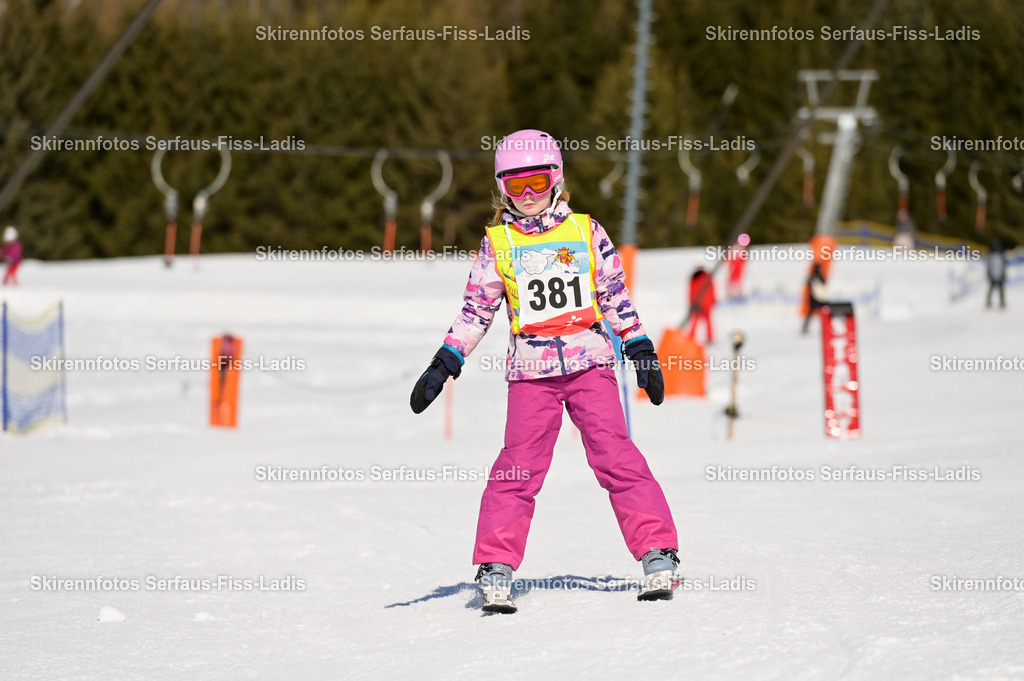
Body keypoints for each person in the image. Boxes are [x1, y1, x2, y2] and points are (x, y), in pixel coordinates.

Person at [409, 129, 678, 612]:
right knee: (517, 468)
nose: (528, 196)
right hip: (530, 375)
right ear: (502, 189)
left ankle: (658, 552)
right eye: (516, 186)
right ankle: (495, 565)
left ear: (556, 179)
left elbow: (614, 295)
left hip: (589, 366)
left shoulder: (585, 231)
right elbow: (476, 310)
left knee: (616, 457)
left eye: (536, 182)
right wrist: (447, 359)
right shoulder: (499, 242)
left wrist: (639, 346)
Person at [687, 266, 716, 344]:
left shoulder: (694, 277)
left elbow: (691, 292)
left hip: (697, 303)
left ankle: (691, 337)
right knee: (708, 320)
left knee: (695, 320)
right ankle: (710, 338)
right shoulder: (708, 277)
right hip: (706, 303)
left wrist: (692, 303)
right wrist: (713, 300)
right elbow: (712, 289)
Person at [802, 262, 828, 334]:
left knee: (811, 314)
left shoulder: (813, 277)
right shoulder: (818, 277)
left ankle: (805, 328)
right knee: (824, 313)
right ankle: (826, 327)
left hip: (814, 299)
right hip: (818, 299)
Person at [986, 239, 1006, 310]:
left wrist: (988, 273)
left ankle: (990, 302)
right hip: (998, 274)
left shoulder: (991, 255)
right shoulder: (1000, 255)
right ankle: (1001, 302)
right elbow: (1003, 265)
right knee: (998, 288)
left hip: (994, 274)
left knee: (994, 288)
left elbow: (989, 266)